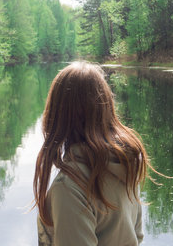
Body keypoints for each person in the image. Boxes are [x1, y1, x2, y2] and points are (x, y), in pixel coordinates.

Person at [33, 61, 161, 246]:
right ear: (106, 108)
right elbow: (137, 236)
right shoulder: (124, 163)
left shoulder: (69, 187)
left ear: (57, 115)